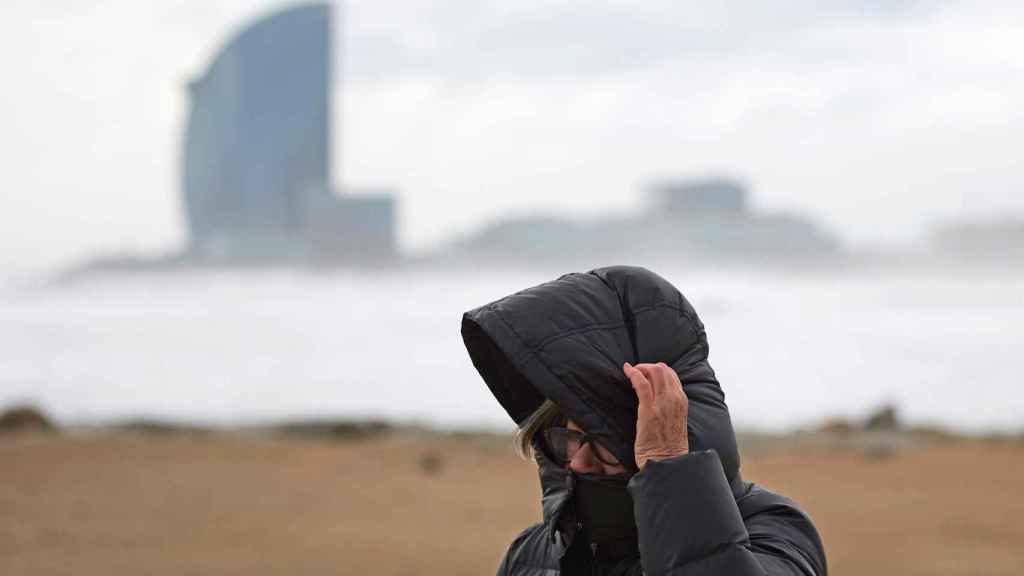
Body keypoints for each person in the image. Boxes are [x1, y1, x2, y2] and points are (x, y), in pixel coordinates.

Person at [461, 265, 827, 576]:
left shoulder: (775, 530)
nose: (577, 461)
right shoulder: (533, 554)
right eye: (565, 438)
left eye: (600, 439)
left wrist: (668, 464)